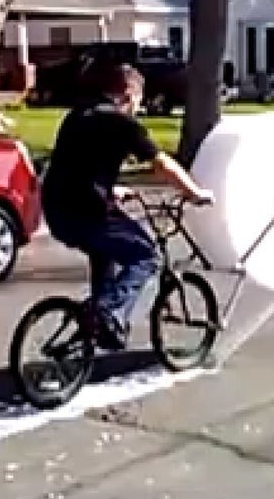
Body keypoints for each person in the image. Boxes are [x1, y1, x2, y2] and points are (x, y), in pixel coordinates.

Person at [41, 62, 214, 351]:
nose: (139, 107)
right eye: (138, 100)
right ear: (128, 94)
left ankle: (101, 327)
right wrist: (194, 193)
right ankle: (105, 312)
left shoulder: (78, 115)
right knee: (147, 256)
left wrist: (112, 189)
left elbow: (78, 165)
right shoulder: (121, 123)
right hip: (87, 212)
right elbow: (161, 164)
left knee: (104, 253)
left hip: (57, 211)